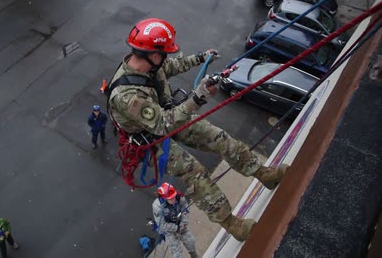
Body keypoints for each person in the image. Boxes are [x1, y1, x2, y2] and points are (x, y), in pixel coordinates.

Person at [106, 18, 288, 241]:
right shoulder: (126, 96)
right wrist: (197, 98)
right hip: (151, 138)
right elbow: (164, 123)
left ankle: (265, 174)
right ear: (153, 55)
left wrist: (201, 58)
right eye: (164, 54)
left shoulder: (151, 65)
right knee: (196, 173)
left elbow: (171, 67)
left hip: (168, 116)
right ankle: (234, 225)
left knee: (219, 138)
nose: (166, 58)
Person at [153, 183, 198, 258]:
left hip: (181, 224)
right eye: (171, 198)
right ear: (164, 198)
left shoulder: (179, 196)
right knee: (177, 254)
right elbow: (162, 225)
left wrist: (183, 223)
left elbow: (185, 209)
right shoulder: (157, 206)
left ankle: (194, 255)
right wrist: (176, 228)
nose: (174, 199)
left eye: (174, 197)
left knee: (191, 241)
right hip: (169, 231)